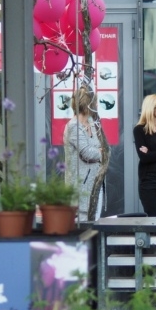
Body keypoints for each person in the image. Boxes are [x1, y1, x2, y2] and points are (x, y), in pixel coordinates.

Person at [63, 85, 104, 223]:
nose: (97, 105)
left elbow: (102, 146)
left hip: (95, 181)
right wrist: (100, 152)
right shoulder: (73, 126)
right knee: (83, 224)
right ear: (88, 105)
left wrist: (99, 151)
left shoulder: (91, 123)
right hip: (81, 185)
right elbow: (87, 153)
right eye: (95, 102)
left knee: (95, 222)